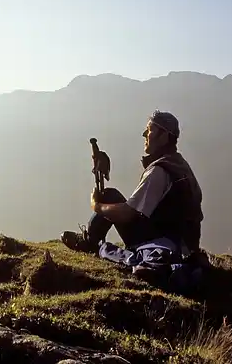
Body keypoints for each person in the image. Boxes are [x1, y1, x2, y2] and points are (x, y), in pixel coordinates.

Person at [61, 110, 204, 261]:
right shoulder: (179, 165)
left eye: (150, 130)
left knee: (109, 196)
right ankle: (91, 239)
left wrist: (97, 205)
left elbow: (127, 213)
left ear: (164, 137)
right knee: (112, 196)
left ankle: (89, 242)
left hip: (162, 246)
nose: (144, 134)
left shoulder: (159, 171)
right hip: (182, 243)